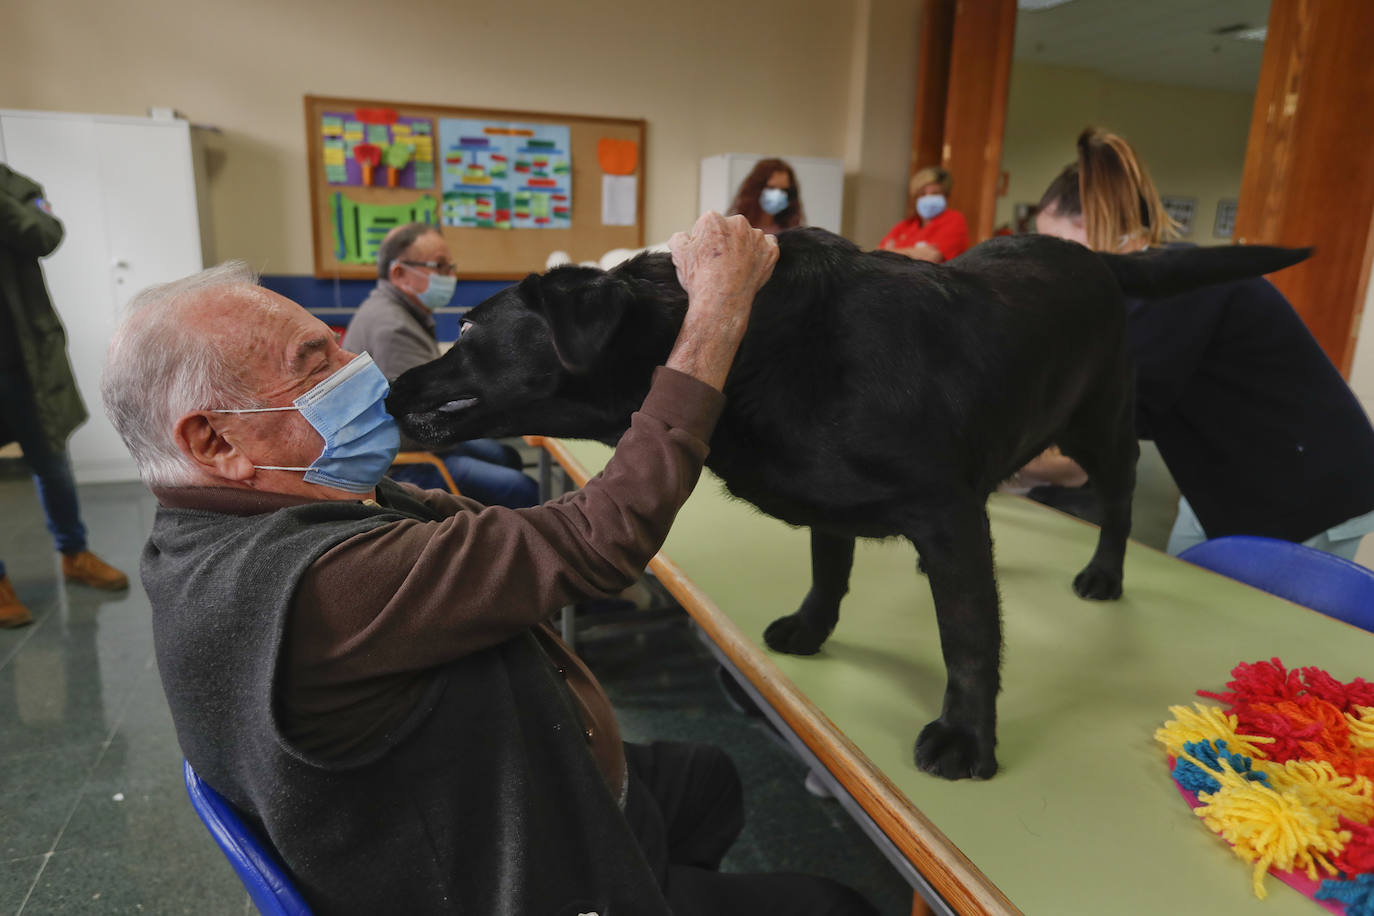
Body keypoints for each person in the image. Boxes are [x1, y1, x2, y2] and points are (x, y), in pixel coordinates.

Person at [101, 212, 876, 915]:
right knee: (836, 905)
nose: (356, 365)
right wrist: (716, 313)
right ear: (214, 442)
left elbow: (512, 533)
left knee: (706, 781)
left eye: (336, 343)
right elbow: (595, 540)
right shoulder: (322, 582)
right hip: (514, 880)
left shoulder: (211, 531)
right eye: (315, 364)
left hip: (489, 796)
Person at [1020, 127, 1374, 560]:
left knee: (1257, 616)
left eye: (1057, 247)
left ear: (1102, 225)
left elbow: (1091, 441)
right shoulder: (1125, 296)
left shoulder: (1174, 290)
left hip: (1307, 485)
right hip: (1225, 480)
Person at [0, 163, 128, 628]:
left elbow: (46, 234)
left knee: (52, 464)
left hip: (25, 360)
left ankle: (75, 554)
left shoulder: (14, 185)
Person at [341, 222, 539, 508]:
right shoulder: (392, 326)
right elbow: (426, 417)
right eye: (440, 266)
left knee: (507, 456)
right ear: (399, 273)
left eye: (450, 266)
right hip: (400, 462)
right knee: (520, 489)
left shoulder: (399, 311)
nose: (450, 276)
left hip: (412, 442)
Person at [877, 165, 969, 262]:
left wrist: (892, 251)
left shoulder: (954, 220)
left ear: (946, 196)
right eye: (922, 194)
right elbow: (878, 255)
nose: (928, 198)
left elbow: (932, 258)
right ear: (915, 198)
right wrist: (916, 252)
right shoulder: (905, 225)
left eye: (935, 193)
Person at [727, 157, 805, 234]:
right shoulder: (738, 226)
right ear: (756, 188)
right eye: (771, 188)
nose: (777, 195)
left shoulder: (790, 231)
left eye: (783, 190)